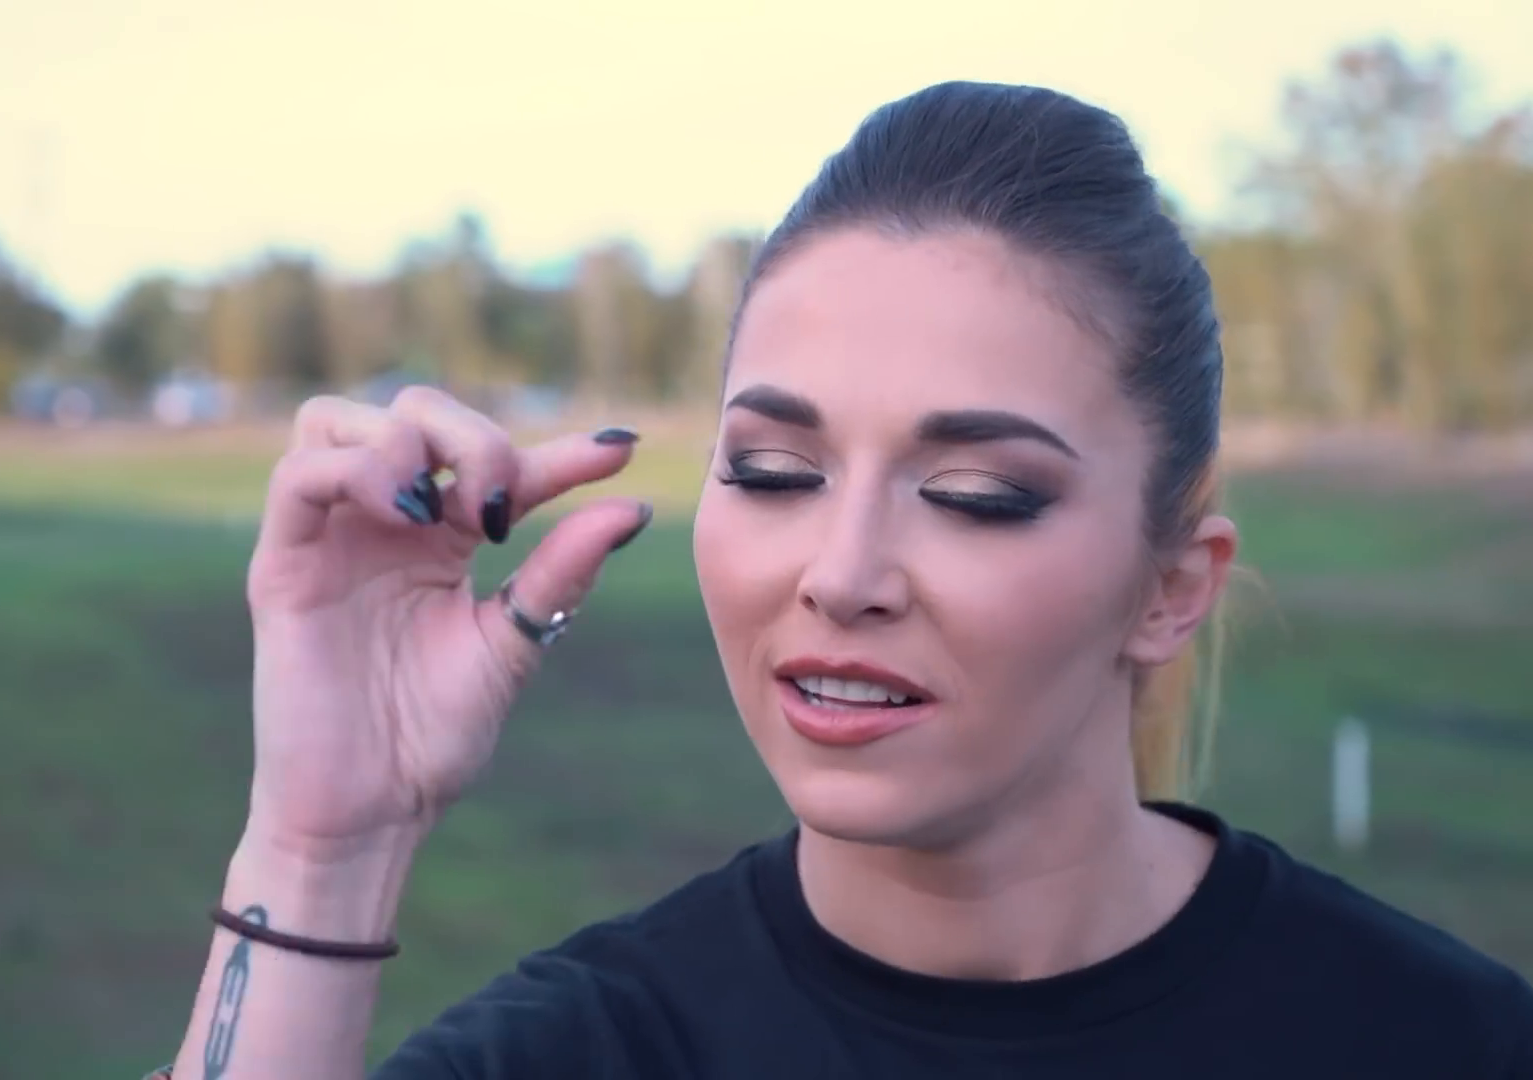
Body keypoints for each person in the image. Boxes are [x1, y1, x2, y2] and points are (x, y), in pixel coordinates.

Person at [154, 81, 1533, 1079]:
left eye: (977, 495)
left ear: (1172, 587)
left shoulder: (1446, 1041)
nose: (845, 572)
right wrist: (321, 849)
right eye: (773, 471)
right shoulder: (588, 1050)